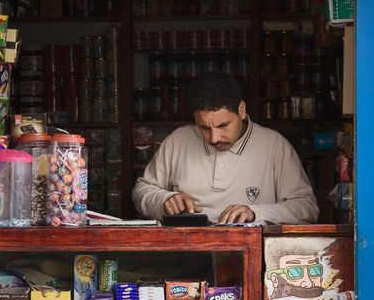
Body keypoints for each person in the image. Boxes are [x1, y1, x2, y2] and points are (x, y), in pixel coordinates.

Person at [132, 73, 319, 224]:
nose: (214, 138)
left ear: (242, 110)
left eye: (223, 126)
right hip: (187, 252)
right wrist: (163, 200)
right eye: (204, 128)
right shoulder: (178, 140)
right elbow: (141, 190)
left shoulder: (274, 146)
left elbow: (307, 208)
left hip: (250, 253)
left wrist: (255, 213)